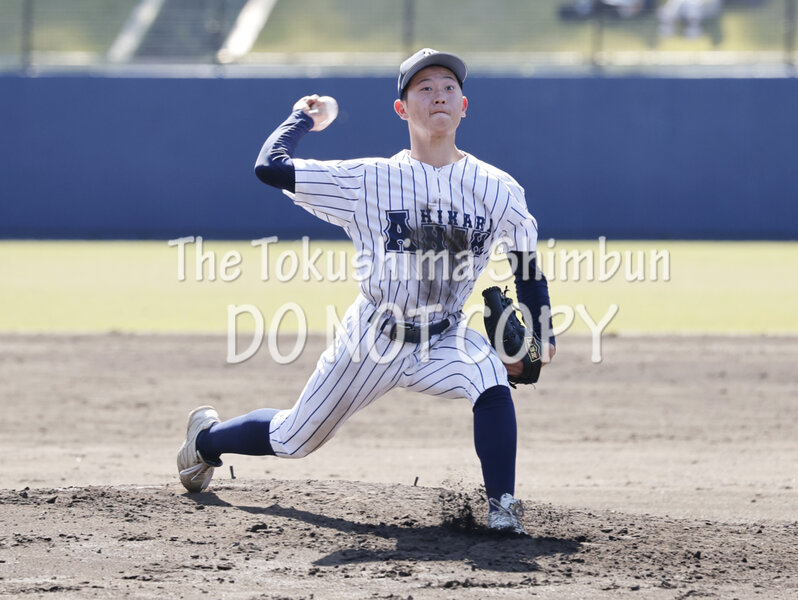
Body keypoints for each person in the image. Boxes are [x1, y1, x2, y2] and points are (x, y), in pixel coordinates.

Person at [176, 48, 556, 534]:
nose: (439, 95)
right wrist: (301, 119)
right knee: (295, 438)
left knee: (490, 379)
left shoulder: (498, 189)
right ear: (402, 109)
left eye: (449, 88)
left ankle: (503, 510)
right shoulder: (370, 180)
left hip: (445, 337)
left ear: (464, 106)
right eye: (425, 88)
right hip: (372, 337)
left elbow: (526, 268)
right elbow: (270, 167)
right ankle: (206, 440)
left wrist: (543, 334)